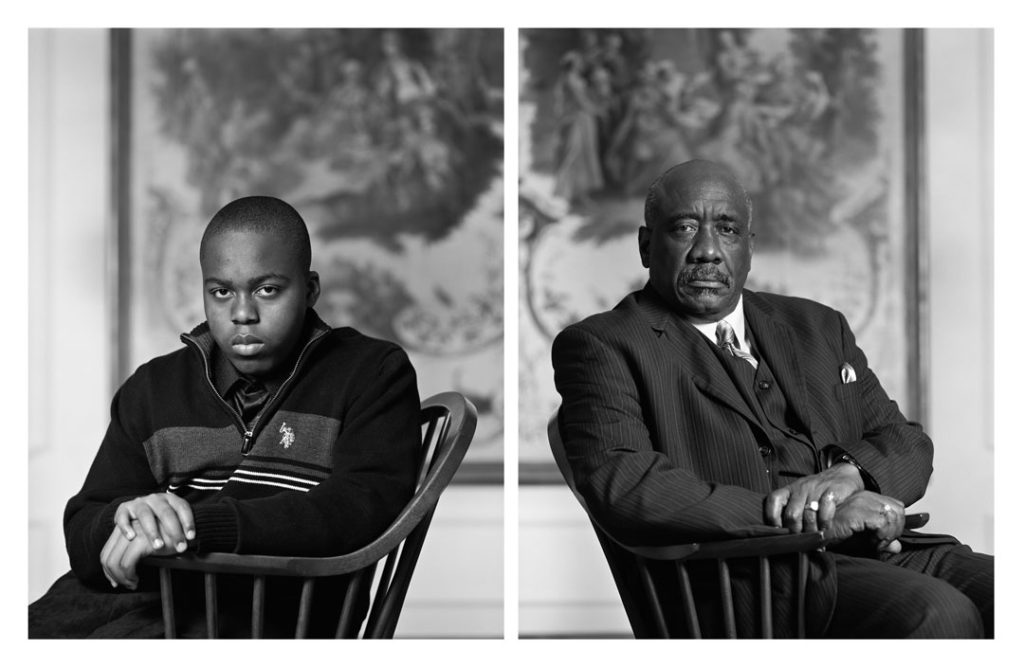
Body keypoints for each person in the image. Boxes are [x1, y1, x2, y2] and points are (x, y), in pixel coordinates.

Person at [551, 160, 993, 638]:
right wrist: (802, 517)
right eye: (683, 228)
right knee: (938, 614)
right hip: (756, 578)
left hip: (884, 549)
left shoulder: (818, 327)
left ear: (748, 247)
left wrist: (852, 474)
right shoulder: (602, 345)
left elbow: (906, 443)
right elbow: (628, 487)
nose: (707, 251)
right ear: (645, 245)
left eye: (727, 229)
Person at [29, 196, 421, 638]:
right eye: (221, 292)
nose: (242, 314)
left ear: (310, 289)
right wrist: (129, 516)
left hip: (270, 614)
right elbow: (84, 528)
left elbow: (359, 509)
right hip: (139, 598)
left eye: (267, 290)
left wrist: (199, 526)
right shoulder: (154, 387)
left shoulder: (371, 372)